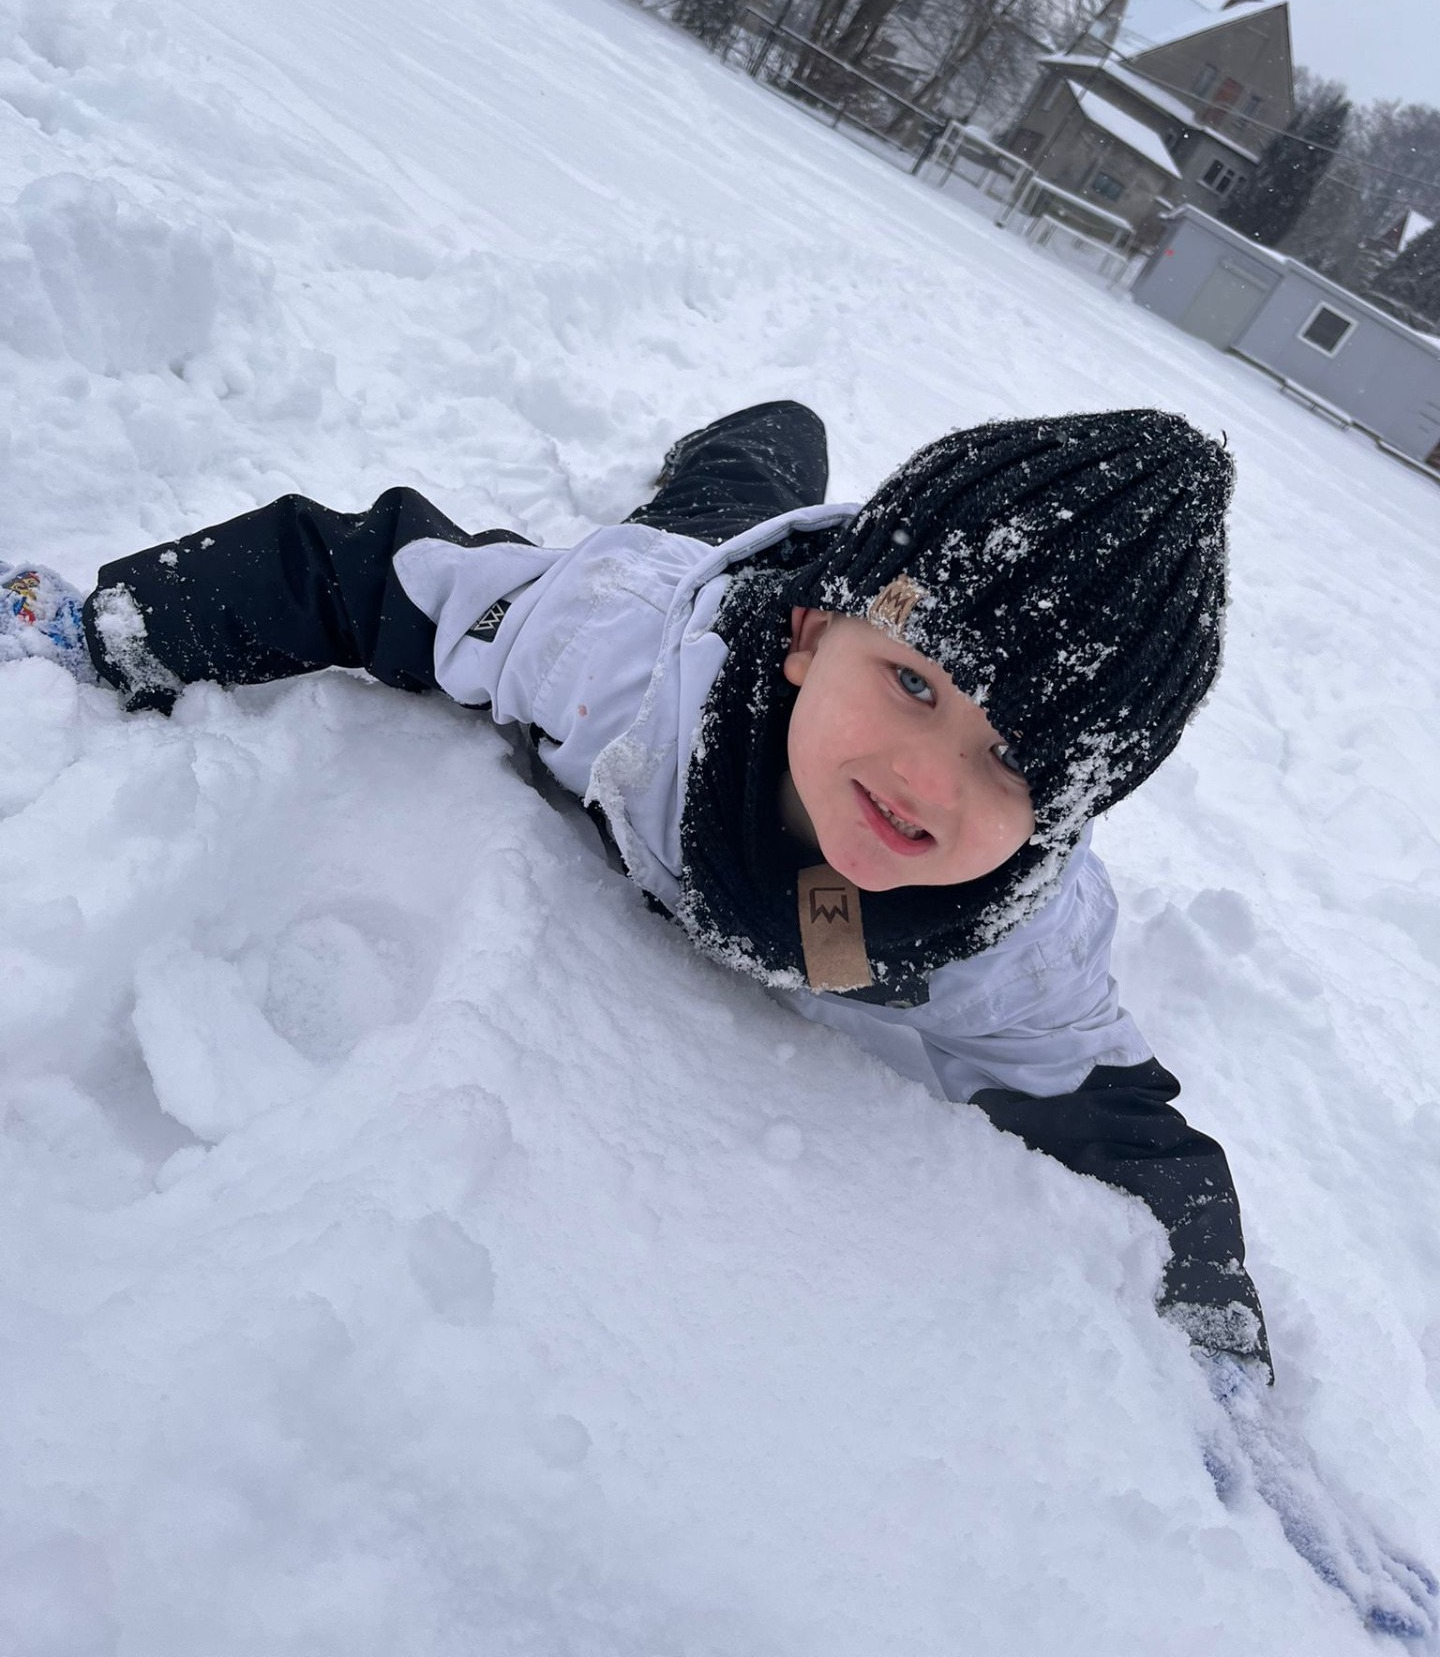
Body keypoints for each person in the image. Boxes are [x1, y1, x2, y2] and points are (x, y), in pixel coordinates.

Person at [1, 400, 1268, 1372]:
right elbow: (363, 572)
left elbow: (1125, 1121)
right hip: (686, 580)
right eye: (914, 685)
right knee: (733, 489)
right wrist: (115, 630)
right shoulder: (608, 650)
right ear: (813, 635)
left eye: (1013, 762)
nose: (926, 781)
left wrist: (1214, 1323)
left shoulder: (1017, 946)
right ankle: (770, 428)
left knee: (754, 513)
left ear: (1066, 817)